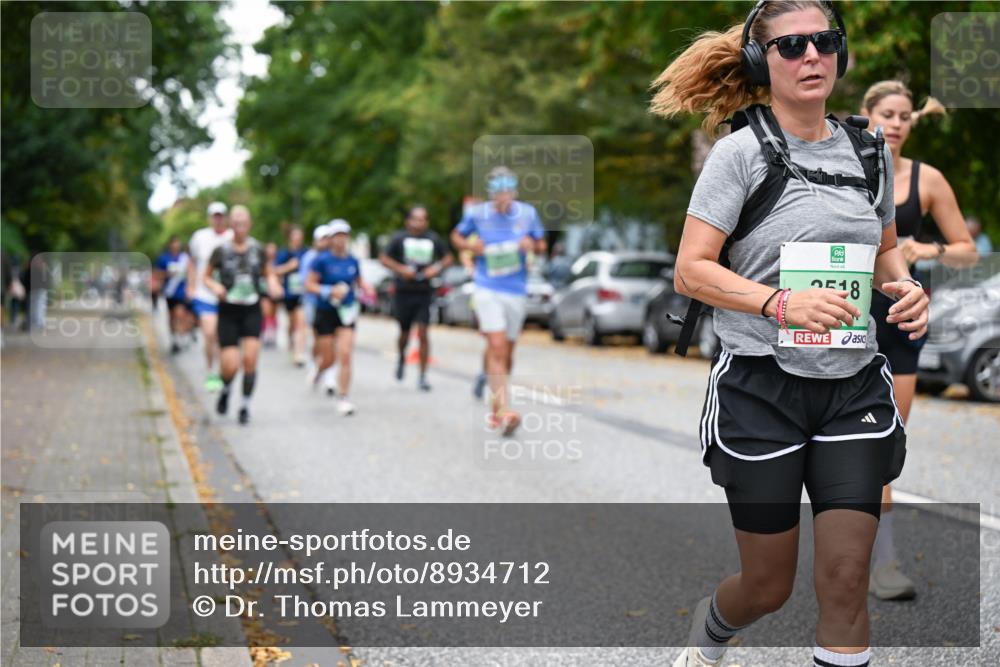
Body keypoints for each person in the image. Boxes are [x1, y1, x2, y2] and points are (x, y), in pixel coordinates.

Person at [650, 2, 930, 666]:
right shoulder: (739, 154)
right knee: (767, 586)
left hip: (852, 386)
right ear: (761, 60)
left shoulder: (869, 151)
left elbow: (885, 249)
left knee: (846, 577)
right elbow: (691, 270)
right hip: (760, 387)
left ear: (841, 53)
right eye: (792, 45)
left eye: (824, 41)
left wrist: (904, 288)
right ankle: (712, 632)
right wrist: (780, 303)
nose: (811, 55)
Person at [860, 80, 977, 601]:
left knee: (884, 439)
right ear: (867, 114)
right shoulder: (845, 164)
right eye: (887, 113)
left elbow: (967, 251)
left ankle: (883, 562)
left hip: (900, 320)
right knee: (832, 440)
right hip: (842, 316)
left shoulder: (926, 180)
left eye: (905, 115)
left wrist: (926, 249)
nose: (896, 123)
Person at [450, 167, 546, 435]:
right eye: (498, 192)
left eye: (507, 191)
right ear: (491, 193)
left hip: (515, 289)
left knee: (508, 353)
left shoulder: (527, 214)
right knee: (497, 346)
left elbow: (541, 245)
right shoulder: (477, 214)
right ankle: (504, 411)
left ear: (514, 191)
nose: (503, 197)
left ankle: (497, 407)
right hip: (486, 287)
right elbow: (456, 237)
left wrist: (531, 245)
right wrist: (470, 246)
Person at [203, 205, 281, 425]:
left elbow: (268, 273)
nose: (240, 224)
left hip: (251, 309)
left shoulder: (258, 249)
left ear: (249, 224)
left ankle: (245, 405)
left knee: (250, 360)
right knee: (230, 365)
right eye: (236, 221)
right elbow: (206, 277)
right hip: (228, 310)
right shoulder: (221, 250)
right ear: (231, 224)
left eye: (243, 221)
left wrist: (273, 284)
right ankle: (226, 389)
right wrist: (215, 286)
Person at [380, 205, 453, 391]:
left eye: (423, 219)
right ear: (409, 221)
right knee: (404, 333)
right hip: (403, 292)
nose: (420, 223)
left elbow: (447, 258)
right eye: (416, 219)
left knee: (423, 333)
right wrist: (402, 270)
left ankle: (422, 376)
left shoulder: (432, 238)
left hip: (424, 292)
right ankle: (401, 357)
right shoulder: (399, 238)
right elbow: (384, 258)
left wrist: (435, 269)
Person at [305, 219, 369, 416]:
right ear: (331, 239)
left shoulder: (353, 261)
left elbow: (359, 282)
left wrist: (367, 291)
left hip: (346, 311)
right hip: (325, 311)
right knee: (328, 358)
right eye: (337, 236)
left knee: (345, 354)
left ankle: (343, 397)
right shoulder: (321, 260)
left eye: (344, 236)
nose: (341, 240)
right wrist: (329, 290)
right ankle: (319, 371)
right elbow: (309, 285)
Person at [187, 202, 233, 392]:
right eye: (215, 216)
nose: (218, 219)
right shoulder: (199, 237)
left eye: (221, 216)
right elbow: (192, 262)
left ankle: (224, 371)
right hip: (204, 294)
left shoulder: (232, 237)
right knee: (209, 332)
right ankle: (210, 370)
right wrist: (191, 286)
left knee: (222, 337)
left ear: (226, 218)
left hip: (227, 296)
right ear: (209, 218)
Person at [274, 226, 308, 366]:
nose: (297, 239)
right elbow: (275, 271)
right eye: (295, 236)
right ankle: (290, 339)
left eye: (299, 236)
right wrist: (289, 266)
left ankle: (298, 354)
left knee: (301, 323)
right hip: (289, 293)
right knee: (292, 323)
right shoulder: (284, 253)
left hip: (302, 293)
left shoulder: (305, 253)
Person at [154, 236, 192, 354]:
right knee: (171, 317)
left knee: (180, 314)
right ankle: (174, 339)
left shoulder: (185, 258)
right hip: (170, 293)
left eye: (177, 243)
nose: (175, 245)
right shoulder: (164, 258)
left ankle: (182, 336)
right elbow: (157, 273)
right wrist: (168, 274)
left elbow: (192, 273)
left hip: (182, 292)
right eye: (173, 243)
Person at [259, 242, 279, 348]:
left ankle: (272, 333)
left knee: (273, 314)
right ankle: (265, 334)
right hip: (264, 291)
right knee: (266, 312)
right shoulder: (261, 262)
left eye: (273, 249)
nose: (271, 252)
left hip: (276, 292)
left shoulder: (278, 261)